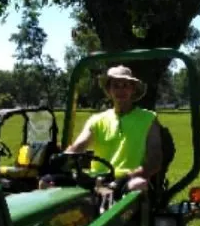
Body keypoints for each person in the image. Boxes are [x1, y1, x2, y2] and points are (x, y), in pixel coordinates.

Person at [61, 65, 163, 194]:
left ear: (133, 89)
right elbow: (79, 146)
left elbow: (155, 160)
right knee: (48, 182)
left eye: (125, 85)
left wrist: (127, 177)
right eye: (116, 86)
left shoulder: (148, 118)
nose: (121, 90)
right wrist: (62, 158)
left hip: (129, 180)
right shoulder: (97, 120)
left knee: (139, 184)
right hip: (96, 180)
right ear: (109, 90)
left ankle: (131, 213)